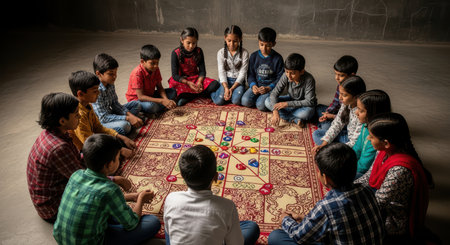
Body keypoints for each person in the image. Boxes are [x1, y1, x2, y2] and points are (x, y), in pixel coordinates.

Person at [53, 134, 161, 245]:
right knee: (153, 222)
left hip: (61, 239)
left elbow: (96, 198)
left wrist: (132, 197)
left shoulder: (76, 174)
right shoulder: (110, 190)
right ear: (109, 165)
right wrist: (140, 200)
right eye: (118, 158)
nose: (119, 160)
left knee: (107, 212)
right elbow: (132, 223)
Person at [268, 143, 384, 245]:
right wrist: (303, 217)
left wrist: (285, 219)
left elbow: (299, 236)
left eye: (318, 172)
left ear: (325, 178)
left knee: (276, 236)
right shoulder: (367, 189)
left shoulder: (327, 206)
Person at [355, 113, 433, 243]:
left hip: (392, 220)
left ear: (386, 143)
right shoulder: (384, 151)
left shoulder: (399, 171)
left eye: (372, 136)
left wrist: (350, 203)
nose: (368, 138)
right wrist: (350, 188)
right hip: (380, 198)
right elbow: (369, 176)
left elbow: (378, 202)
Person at [163, 145, 260, 245]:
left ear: (182, 176)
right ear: (216, 177)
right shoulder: (227, 207)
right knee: (251, 227)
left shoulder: (171, 199)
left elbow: (168, 230)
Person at [27, 92, 85, 223]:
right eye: (76, 114)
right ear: (62, 120)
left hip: (52, 195)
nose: (80, 116)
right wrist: (113, 179)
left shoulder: (52, 134)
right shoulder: (58, 148)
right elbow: (83, 181)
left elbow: (76, 159)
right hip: (52, 209)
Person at [69, 70, 137, 159]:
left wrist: (123, 138)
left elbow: (99, 128)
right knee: (110, 156)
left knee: (117, 140)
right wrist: (119, 150)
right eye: (94, 91)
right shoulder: (78, 116)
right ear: (80, 94)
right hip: (84, 150)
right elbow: (89, 144)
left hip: (92, 139)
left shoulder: (88, 106)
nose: (98, 93)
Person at [92, 53, 143, 135]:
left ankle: (129, 123)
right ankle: (121, 128)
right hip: (102, 121)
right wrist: (127, 118)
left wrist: (130, 116)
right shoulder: (95, 91)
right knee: (125, 125)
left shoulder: (110, 83)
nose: (114, 76)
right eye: (110, 74)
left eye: (115, 73)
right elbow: (103, 118)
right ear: (98, 74)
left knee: (136, 104)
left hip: (110, 113)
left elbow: (115, 103)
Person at [312, 75, 366, 151]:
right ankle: (331, 150)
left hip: (351, 144)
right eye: (340, 93)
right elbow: (337, 123)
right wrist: (324, 144)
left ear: (356, 97)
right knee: (316, 134)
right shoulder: (345, 104)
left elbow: (355, 143)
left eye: (344, 95)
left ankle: (332, 151)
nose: (340, 97)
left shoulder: (361, 113)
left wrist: (335, 150)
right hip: (346, 135)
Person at [168, 27, 220, 106]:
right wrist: (187, 83)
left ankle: (189, 97)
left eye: (194, 43)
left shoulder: (199, 51)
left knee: (215, 84)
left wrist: (199, 82)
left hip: (195, 79)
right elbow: (175, 75)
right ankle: (197, 94)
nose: (191, 46)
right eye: (188, 43)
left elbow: (202, 71)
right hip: (183, 81)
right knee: (173, 89)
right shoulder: (175, 53)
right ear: (182, 40)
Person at [265, 53, 317, 128]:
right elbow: (274, 93)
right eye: (286, 71)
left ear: (302, 71)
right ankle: (295, 119)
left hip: (305, 105)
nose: (289, 76)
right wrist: (275, 111)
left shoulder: (309, 79)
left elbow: (309, 101)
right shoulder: (286, 75)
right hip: (291, 99)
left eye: (292, 73)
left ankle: (288, 116)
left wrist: (287, 104)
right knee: (267, 101)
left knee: (307, 113)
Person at [126, 44, 177, 116]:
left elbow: (160, 87)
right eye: (152, 63)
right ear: (142, 62)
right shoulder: (137, 73)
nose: (156, 66)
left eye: (157, 63)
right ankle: (154, 109)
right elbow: (141, 97)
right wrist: (162, 101)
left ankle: (158, 108)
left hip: (150, 95)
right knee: (151, 107)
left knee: (173, 91)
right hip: (138, 100)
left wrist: (166, 99)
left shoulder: (155, 69)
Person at [241, 27, 284, 111]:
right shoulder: (254, 56)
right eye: (261, 44)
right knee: (245, 101)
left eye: (268, 46)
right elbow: (250, 74)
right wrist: (253, 86)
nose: (264, 48)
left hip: (270, 87)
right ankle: (262, 98)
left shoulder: (278, 58)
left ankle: (271, 98)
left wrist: (268, 88)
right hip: (257, 85)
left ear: (273, 44)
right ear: (258, 42)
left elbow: (280, 78)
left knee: (260, 106)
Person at [353, 89, 391, 178]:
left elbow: (364, 166)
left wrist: (347, 168)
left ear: (373, 113)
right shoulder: (365, 125)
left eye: (361, 111)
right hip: (359, 166)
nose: (356, 113)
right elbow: (357, 148)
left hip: (365, 173)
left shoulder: (376, 137)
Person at [315, 55, 358, 130]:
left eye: (341, 75)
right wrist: (327, 113)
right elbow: (336, 102)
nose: (336, 78)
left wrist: (332, 116)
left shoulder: (356, 91)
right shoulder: (340, 85)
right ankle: (325, 126)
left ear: (352, 75)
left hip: (345, 120)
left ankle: (326, 129)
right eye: (335, 74)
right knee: (318, 108)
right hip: (338, 114)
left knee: (320, 132)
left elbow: (351, 118)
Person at [211, 25, 249, 105]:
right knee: (219, 101)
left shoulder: (245, 53)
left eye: (235, 41)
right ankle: (213, 92)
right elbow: (222, 72)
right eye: (229, 41)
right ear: (225, 38)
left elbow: (242, 74)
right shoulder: (220, 53)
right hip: (225, 80)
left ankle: (233, 92)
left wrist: (231, 89)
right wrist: (226, 87)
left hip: (238, 82)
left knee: (236, 101)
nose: (232, 44)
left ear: (240, 39)